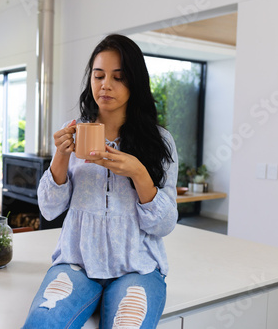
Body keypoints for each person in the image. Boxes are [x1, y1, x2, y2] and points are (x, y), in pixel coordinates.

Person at [22, 34, 178, 329]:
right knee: (42, 324)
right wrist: (61, 156)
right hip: (76, 262)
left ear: (136, 83)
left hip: (138, 266)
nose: (105, 85)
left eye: (118, 77)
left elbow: (164, 224)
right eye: (98, 75)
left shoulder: (160, 142)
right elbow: (49, 209)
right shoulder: (75, 135)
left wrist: (138, 172)